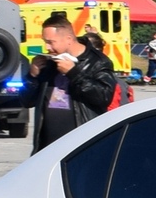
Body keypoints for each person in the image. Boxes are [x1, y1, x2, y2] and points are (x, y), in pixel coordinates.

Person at [20, 13, 116, 153]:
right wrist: (32, 76)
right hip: (47, 148)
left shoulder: (97, 62)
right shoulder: (48, 63)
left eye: (51, 42)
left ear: (69, 39)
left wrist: (73, 73)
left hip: (82, 147)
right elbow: (26, 101)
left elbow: (103, 97)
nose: (47, 47)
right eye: (45, 41)